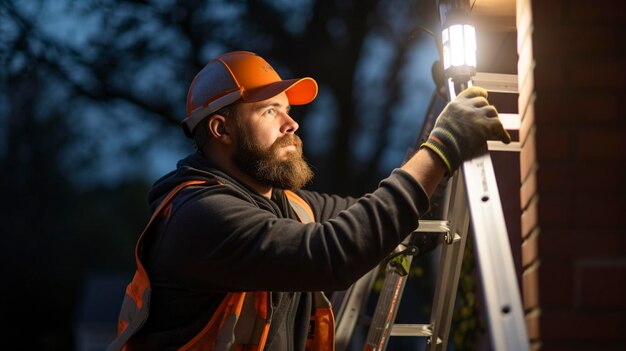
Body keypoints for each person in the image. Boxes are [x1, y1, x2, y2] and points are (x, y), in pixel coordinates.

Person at [107, 51, 510, 351]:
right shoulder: (198, 218)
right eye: (270, 111)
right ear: (221, 129)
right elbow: (331, 255)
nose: (292, 123)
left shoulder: (288, 206)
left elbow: (381, 220)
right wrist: (441, 146)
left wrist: (441, 112)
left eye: (288, 109)